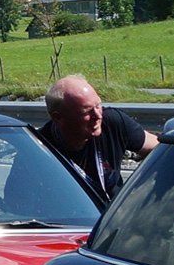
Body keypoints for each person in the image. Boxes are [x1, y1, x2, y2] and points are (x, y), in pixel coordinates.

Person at [41, 74, 155, 209]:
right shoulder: (39, 149)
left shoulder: (112, 122)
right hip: (70, 218)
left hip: (114, 215)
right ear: (58, 117)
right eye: (87, 111)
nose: (98, 115)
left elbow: (159, 148)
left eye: (98, 105)